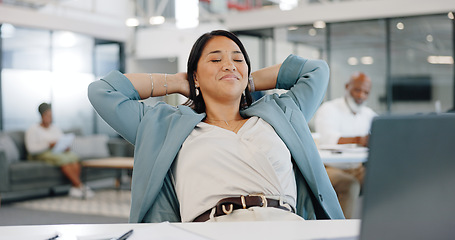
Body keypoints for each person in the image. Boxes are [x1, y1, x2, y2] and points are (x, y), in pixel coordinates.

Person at [88, 30, 344, 223]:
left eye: (238, 59)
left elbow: (315, 70)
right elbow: (103, 91)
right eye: (215, 60)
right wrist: (177, 82)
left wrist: (242, 81)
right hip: (210, 229)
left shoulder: (280, 113)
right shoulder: (166, 126)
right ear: (195, 76)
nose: (229, 64)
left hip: (286, 227)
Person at [314, 72, 377, 218]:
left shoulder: (369, 114)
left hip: (357, 168)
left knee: (385, 178)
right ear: (347, 87)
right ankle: (342, 233)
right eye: (357, 90)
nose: (361, 96)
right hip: (328, 168)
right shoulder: (328, 109)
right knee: (350, 185)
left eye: (366, 92)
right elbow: (330, 139)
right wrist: (359, 140)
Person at [25, 103, 94, 198]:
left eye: (50, 115)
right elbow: (31, 149)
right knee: (63, 159)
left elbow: (62, 140)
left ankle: (74, 187)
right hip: (40, 153)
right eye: (47, 115)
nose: (49, 118)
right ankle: (80, 186)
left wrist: (65, 146)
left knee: (74, 157)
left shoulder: (55, 128)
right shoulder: (33, 129)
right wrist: (48, 144)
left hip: (57, 151)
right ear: (42, 115)